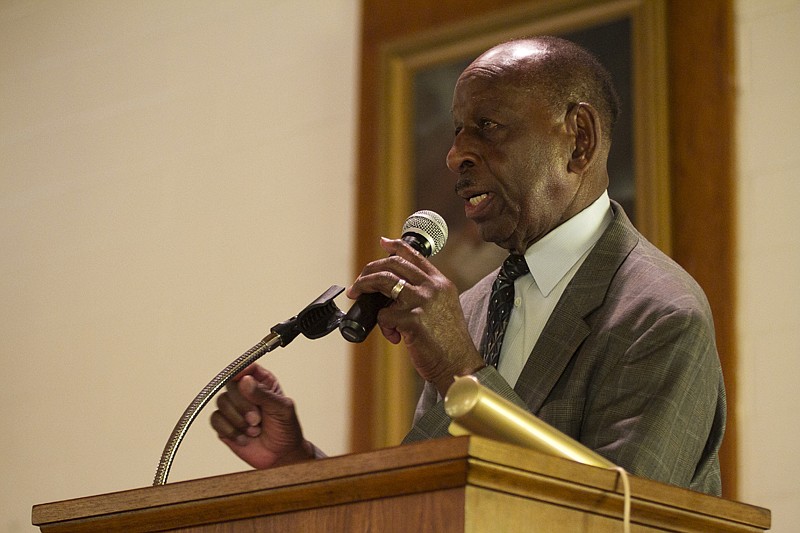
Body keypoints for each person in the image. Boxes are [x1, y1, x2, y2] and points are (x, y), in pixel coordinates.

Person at [210, 36, 726, 495]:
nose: (456, 155)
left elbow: (621, 517)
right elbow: (428, 506)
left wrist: (461, 367)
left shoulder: (659, 313)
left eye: (488, 126)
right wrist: (295, 463)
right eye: (458, 131)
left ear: (580, 138)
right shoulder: (476, 306)